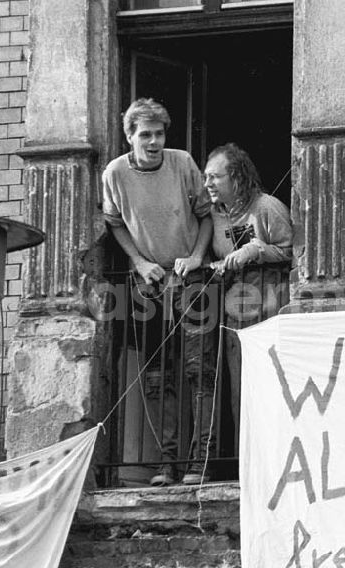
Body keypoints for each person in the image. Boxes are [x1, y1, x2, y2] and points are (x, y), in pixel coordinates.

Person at [101, 97, 217, 486]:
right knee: (158, 375)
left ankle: (200, 461)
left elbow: (205, 216)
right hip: (148, 283)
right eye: (145, 134)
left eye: (160, 133)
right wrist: (137, 261)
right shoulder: (115, 174)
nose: (154, 142)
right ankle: (167, 463)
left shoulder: (182, 162)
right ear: (130, 136)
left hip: (191, 279)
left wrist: (197, 257)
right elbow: (114, 223)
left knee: (198, 369)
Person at [205, 143, 293, 433]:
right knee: (241, 391)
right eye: (207, 177)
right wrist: (218, 266)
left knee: (272, 385)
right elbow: (213, 255)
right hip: (236, 315)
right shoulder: (215, 216)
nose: (208, 184)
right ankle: (247, 462)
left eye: (215, 177)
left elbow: (292, 251)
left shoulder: (267, 207)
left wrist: (257, 251)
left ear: (236, 177)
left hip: (269, 309)